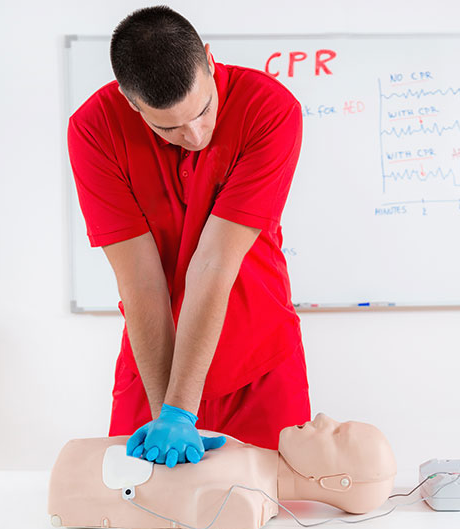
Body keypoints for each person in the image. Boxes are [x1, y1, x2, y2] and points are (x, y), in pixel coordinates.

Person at [67, 6, 309, 467]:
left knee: (276, 519)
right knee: (143, 513)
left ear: (211, 61)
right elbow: (140, 280)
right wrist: (167, 415)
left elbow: (215, 262)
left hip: (260, 364)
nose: (194, 135)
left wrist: (181, 411)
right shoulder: (93, 130)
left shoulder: (270, 109)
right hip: (156, 363)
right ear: (130, 101)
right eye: (167, 127)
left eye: (202, 111)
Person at [48, 414, 398, 529]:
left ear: (336, 482)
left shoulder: (246, 501)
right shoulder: (250, 464)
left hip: (77, 487)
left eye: (338, 434)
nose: (323, 418)